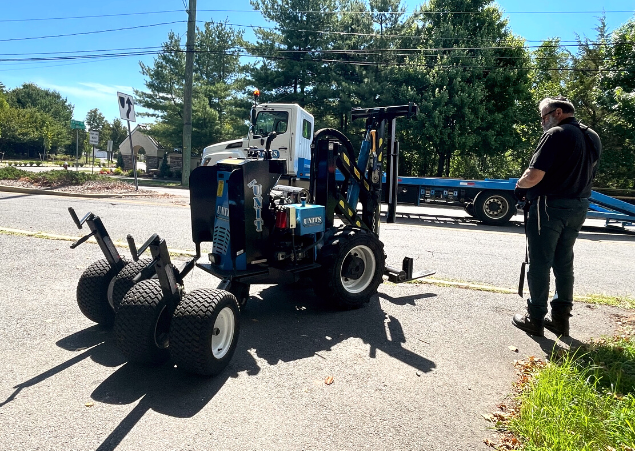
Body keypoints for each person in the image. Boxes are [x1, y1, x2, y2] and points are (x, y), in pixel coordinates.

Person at [512, 96, 601, 337]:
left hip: (550, 206)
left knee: (540, 261)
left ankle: (535, 317)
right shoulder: (591, 136)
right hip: (579, 205)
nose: (542, 122)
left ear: (558, 112)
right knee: (564, 262)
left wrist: (519, 187)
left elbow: (534, 174)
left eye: (543, 116)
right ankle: (561, 319)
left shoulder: (556, 134)